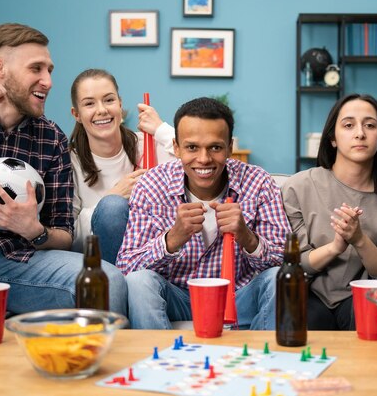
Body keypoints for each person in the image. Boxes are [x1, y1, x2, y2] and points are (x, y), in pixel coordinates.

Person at [0, 23, 128, 324]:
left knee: (108, 281)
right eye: (36, 69)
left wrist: (33, 229)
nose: (48, 81)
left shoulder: (51, 138)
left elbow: (63, 235)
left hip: (19, 260)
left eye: (50, 70)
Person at [116, 97, 291, 330]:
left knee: (281, 278)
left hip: (238, 299)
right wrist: (171, 241)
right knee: (139, 282)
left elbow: (288, 262)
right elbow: (126, 268)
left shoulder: (258, 182)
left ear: (230, 147)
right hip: (177, 298)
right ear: (176, 148)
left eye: (215, 147)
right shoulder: (151, 185)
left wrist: (248, 238)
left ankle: (259, 361)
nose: (204, 159)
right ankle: (160, 362)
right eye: (192, 147)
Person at [281, 94, 377, 330]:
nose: (360, 133)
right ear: (332, 138)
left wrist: (359, 240)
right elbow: (294, 263)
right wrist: (336, 247)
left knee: (367, 319)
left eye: (370, 125)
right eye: (349, 125)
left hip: (364, 299)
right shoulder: (297, 187)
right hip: (310, 294)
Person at [69, 69, 175, 263]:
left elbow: (201, 158)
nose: (101, 110)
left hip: (153, 258)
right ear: (76, 114)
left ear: (120, 103)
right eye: (90, 103)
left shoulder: (147, 144)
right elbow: (71, 238)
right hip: (102, 262)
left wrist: (161, 129)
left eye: (109, 100)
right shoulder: (70, 163)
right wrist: (111, 199)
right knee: (112, 206)